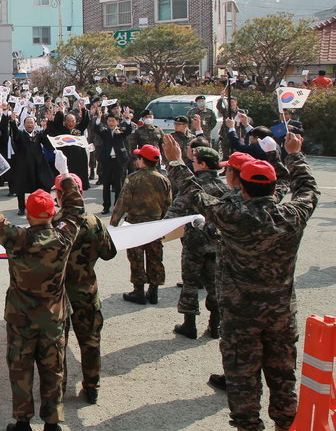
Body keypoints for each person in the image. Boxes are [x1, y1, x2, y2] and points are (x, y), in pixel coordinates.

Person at [163, 132, 318, 431]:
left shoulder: (232, 215)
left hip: (241, 315)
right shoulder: (292, 214)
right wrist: (294, 155)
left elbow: (195, 194)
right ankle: (286, 425)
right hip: (280, 313)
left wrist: (176, 162)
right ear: (273, 188)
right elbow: (308, 189)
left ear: (243, 188)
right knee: (283, 380)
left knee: (242, 383)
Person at [0, 178, 85, 431]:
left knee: (20, 369)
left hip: (21, 318)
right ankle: (52, 421)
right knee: (53, 369)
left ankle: (22, 421)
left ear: (29, 213)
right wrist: (67, 180)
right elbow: (77, 212)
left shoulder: (17, 238)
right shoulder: (63, 236)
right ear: (52, 213)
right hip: (53, 317)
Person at [61, 173, 116, 404]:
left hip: (60, 296)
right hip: (86, 292)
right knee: (90, 341)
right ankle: (92, 387)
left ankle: (58, 388)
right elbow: (109, 252)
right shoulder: (94, 222)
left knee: (58, 345)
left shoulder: (54, 222)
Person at [165, 144, 229, 339]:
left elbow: (174, 213)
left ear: (202, 165)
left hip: (194, 243)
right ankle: (215, 325)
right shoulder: (224, 187)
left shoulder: (192, 187)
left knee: (190, 283)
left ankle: (189, 325)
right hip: (217, 243)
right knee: (214, 284)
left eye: (194, 161)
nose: (192, 164)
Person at [110, 144, 172, 304]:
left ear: (142, 161)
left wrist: (113, 224)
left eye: (139, 158)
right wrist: (164, 223)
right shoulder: (164, 180)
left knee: (136, 258)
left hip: (135, 224)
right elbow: (168, 204)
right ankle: (153, 290)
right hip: (155, 225)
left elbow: (122, 203)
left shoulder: (133, 178)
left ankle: (138, 291)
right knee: (155, 258)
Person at [7, 115, 53, 216]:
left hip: (38, 165)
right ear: (24, 124)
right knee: (21, 187)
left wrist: (49, 123)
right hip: (24, 165)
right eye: (27, 123)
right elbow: (14, 131)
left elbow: (48, 143)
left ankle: (45, 206)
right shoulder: (21, 134)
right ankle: (22, 208)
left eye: (31, 123)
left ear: (35, 124)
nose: (29, 124)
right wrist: (12, 121)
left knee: (44, 185)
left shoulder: (39, 135)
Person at [94, 113, 134, 215]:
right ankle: (106, 206)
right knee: (106, 184)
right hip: (107, 160)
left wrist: (128, 119)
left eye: (113, 121)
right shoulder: (105, 131)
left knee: (118, 184)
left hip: (119, 160)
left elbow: (128, 130)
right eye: (109, 121)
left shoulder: (120, 131)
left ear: (117, 122)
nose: (111, 123)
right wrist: (99, 118)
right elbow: (96, 129)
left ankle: (118, 206)